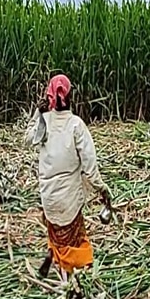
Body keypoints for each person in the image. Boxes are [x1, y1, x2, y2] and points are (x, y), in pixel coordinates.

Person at [24, 74, 111, 279]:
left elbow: (28, 139)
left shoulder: (44, 122)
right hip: (69, 199)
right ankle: (68, 282)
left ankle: (52, 256)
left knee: (56, 232)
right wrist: (101, 188)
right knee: (73, 242)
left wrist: (38, 112)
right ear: (71, 95)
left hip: (48, 197)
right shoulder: (76, 125)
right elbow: (90, 166)